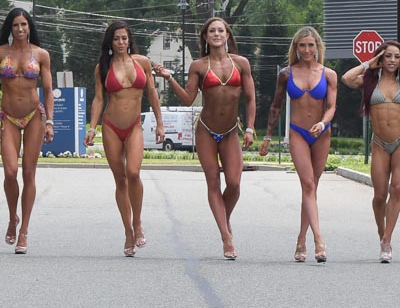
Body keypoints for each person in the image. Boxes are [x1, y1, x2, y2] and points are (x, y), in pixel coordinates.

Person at [154, 17, 256, 260]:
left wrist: (250, 128)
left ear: (227, 35)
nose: (217, 34)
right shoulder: (199, 66)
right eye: (212, 31)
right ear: (206, 37)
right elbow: (188, 99)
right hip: (206, 131)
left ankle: (223, 219)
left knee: (234, 183)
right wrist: (169, 78)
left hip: (230, 131)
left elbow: (250, 98)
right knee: (213, 182)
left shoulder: (241, 63)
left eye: (221, 30)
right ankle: (226, 237)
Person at [341, 41, 400, 263]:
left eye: (397, 57)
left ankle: (387, 240)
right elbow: (346, 78)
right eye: (388, 56)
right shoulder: (369, 82)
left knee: (397, 187)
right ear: (381, 58)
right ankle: (381, 233)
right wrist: (368, 64)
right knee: (379, 195)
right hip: (380, 143)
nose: (392, 60)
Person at [84, 21, 164, 257]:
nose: (121, 42)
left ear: (129, 40)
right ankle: (128, 232)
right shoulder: (103, 67)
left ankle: (137, 223)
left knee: (134, 173)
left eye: (124, 38)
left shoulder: (142, 62)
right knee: (120, 179)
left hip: (134, 126)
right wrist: (92, 128)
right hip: (111, 126)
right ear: (110, 41)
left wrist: (160, 123)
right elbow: (99, 99)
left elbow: (152, 93)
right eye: (116, 38)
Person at [260, 26, 338, 263]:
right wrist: (267, 136)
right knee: (308, 184)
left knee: (311, 188)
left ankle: (301, 240)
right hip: (298, 132)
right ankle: (319, 241)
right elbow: (276, 106)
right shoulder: (286, 74)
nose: (306, 50)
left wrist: (323, 123)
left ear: (317, 47)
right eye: (301, 45)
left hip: (321, 134)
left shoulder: (328, 74)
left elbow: (331, 107)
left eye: (310, 45)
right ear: (295, 47)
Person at [0, 8, 55, 255]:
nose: (20, 29)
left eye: (24, 24)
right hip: (9, 117)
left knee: (28, 172)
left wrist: (50, 122)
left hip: (34, 116)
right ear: (10, 27)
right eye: (15, 25)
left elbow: (48, 91)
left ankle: (24, 230)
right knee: (10, 172)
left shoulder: (41, 55)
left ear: (29, 27)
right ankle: (12, 217)